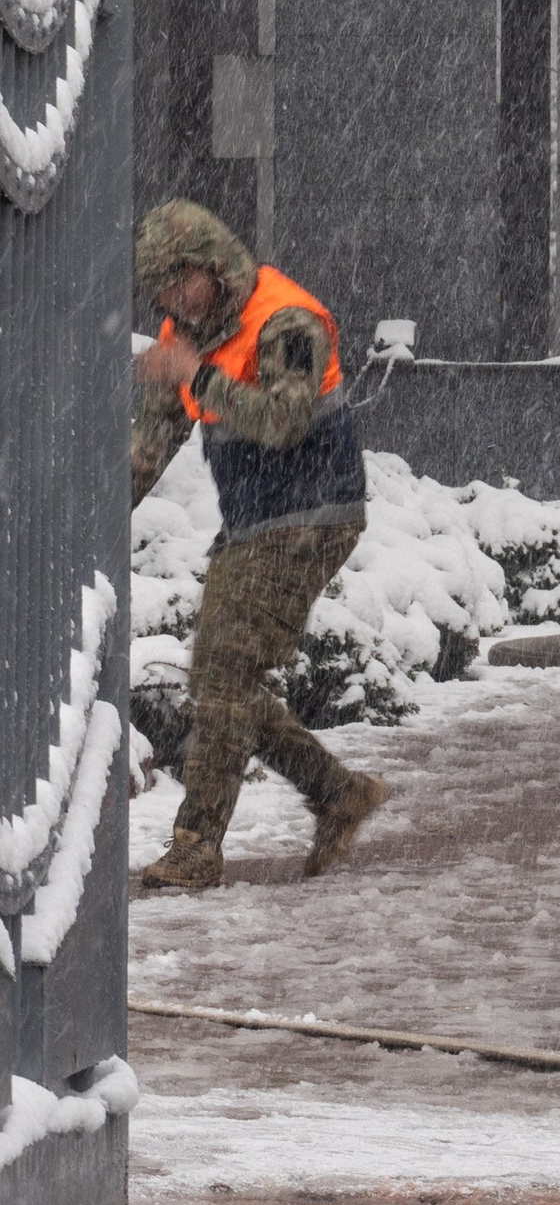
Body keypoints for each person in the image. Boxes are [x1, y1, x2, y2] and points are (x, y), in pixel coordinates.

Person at [129, 199, 385, 893]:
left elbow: (282, 421)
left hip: (313, 514)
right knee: (225, 680)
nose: (170, 301)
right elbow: (152, 442)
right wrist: (101, 517)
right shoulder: (188, 333)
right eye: (159, 291)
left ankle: (195, 848)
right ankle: (337, 791)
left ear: (212, 266)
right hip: (255, 520)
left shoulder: (287, 321)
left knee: (223, 674)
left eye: (178, 283)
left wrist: (195, 374)